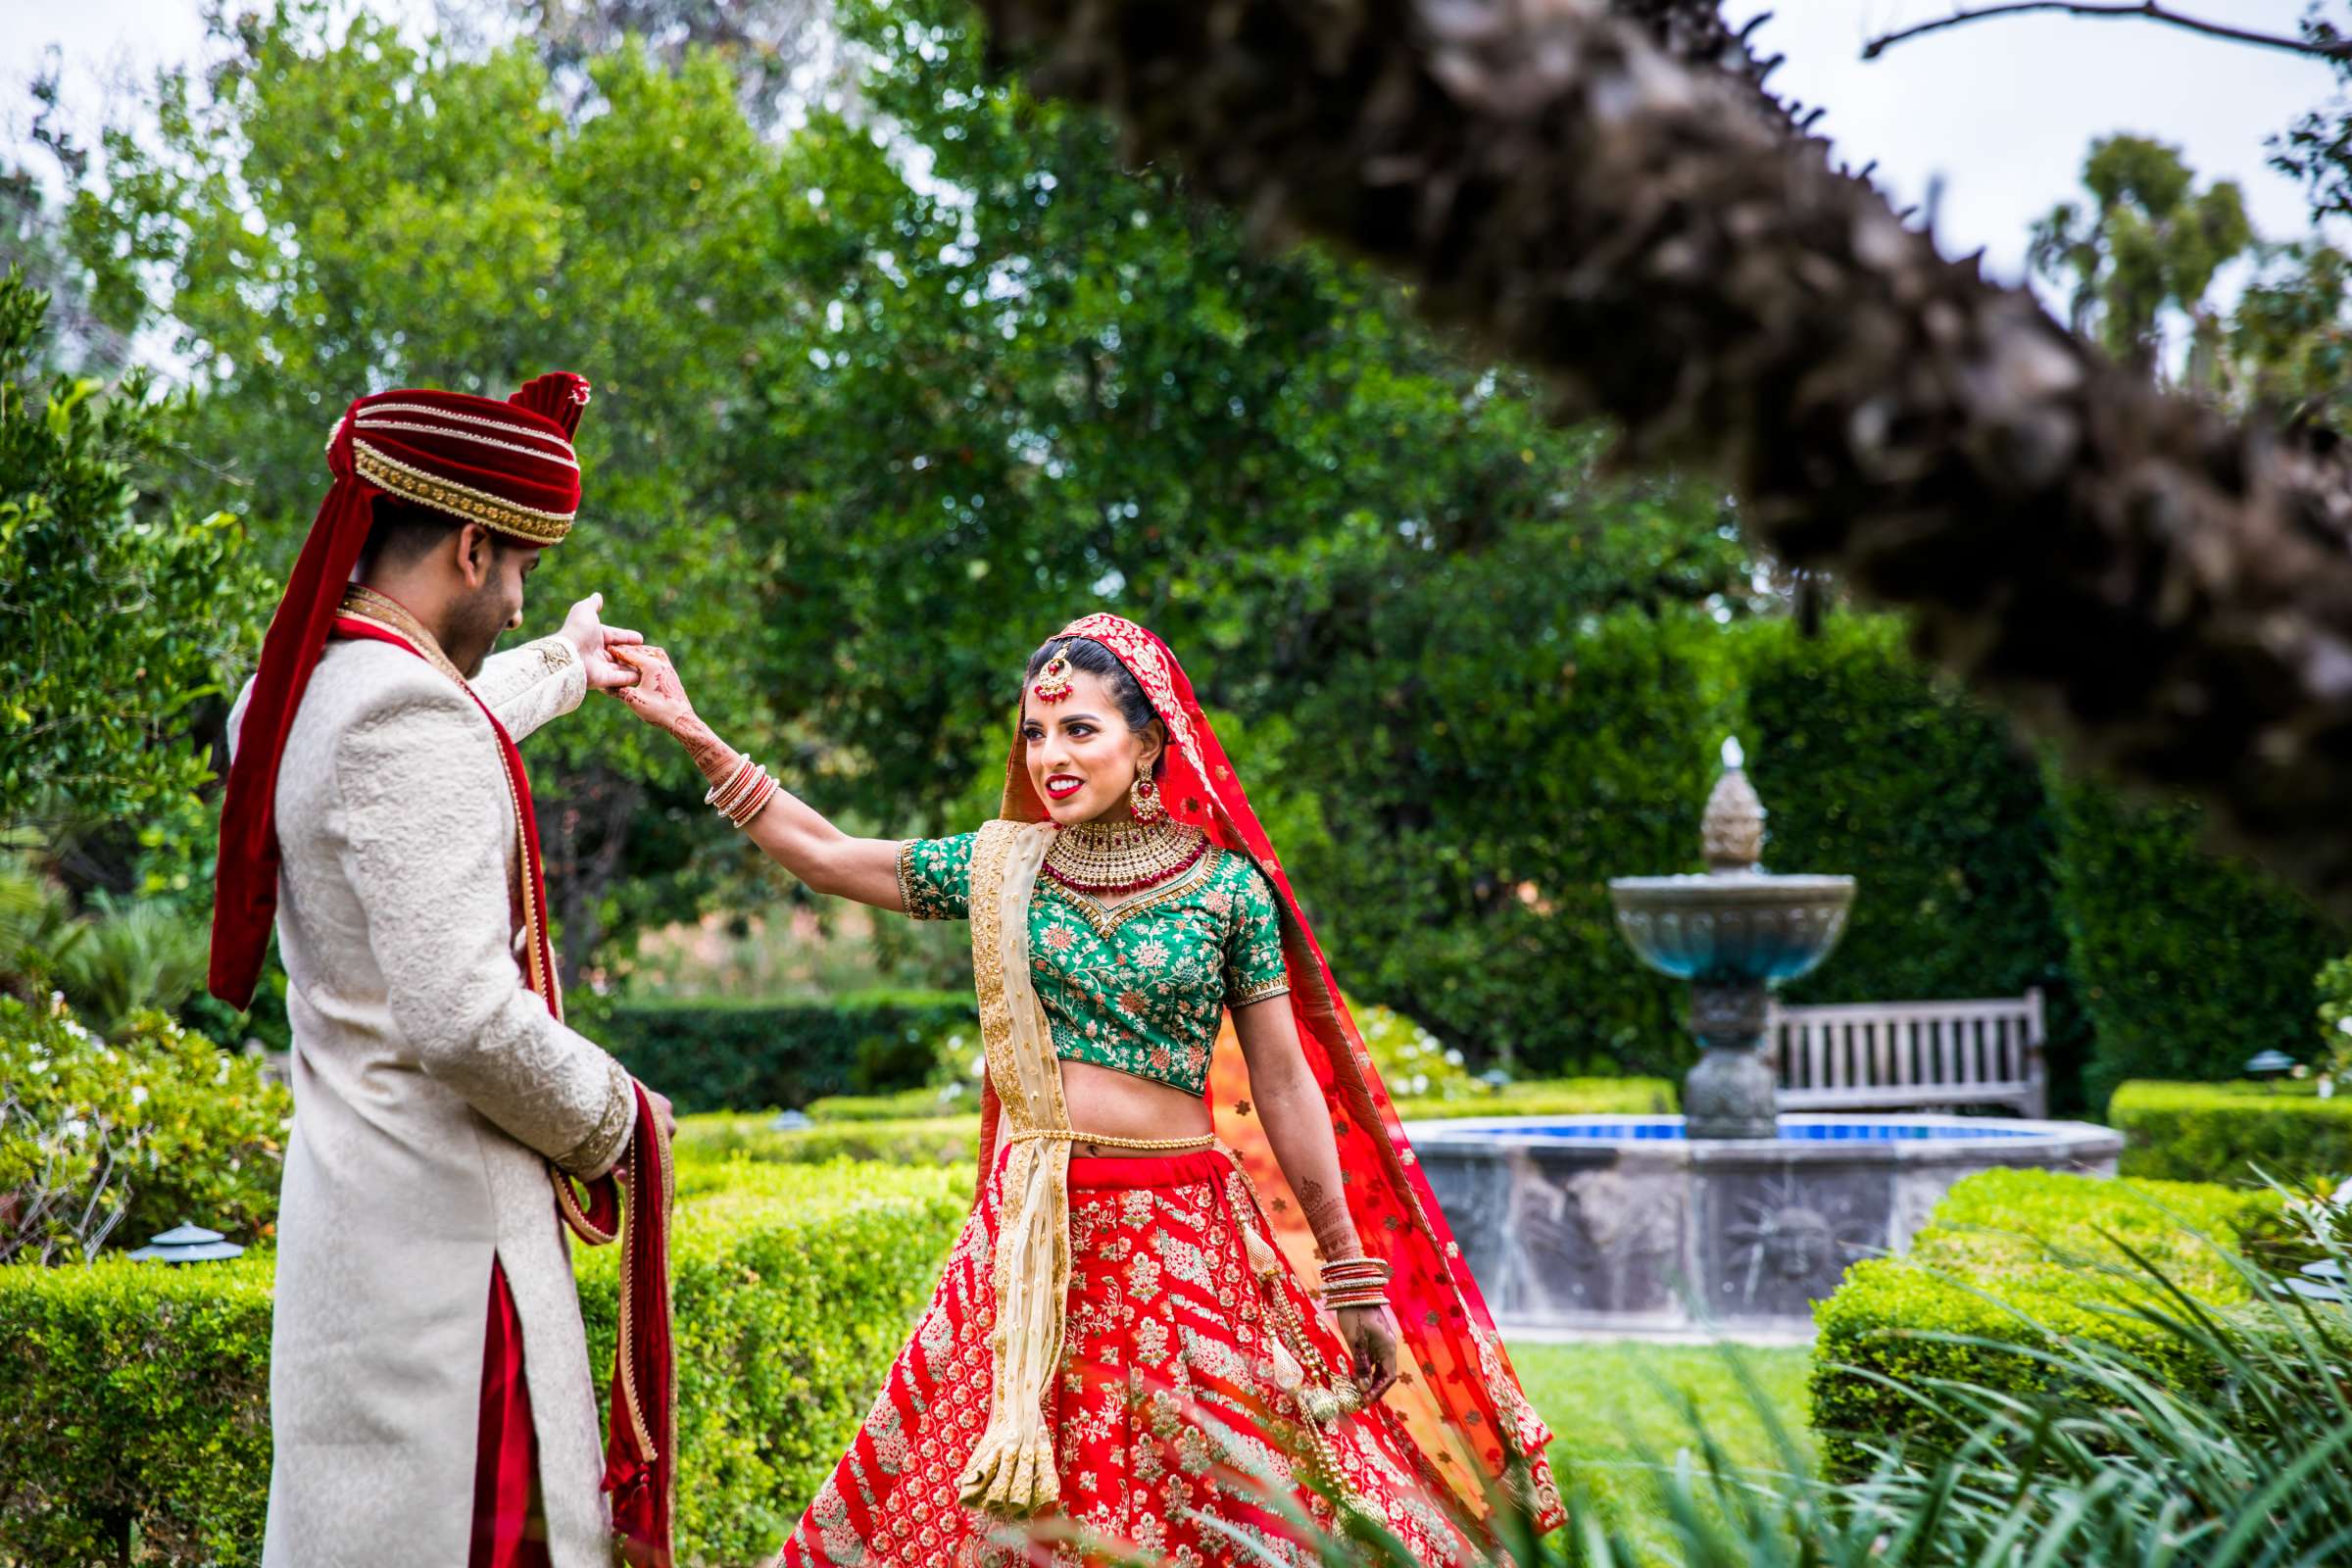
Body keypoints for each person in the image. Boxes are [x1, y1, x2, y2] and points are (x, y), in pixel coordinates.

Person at [613, 612, 1561, 1564]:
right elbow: (825, 854)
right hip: (1031, 1241)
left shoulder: (1227, 890)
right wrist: (691, 730)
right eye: (1035, 732)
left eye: (1079, 729)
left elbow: (1282, 1081)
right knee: (980, 1502)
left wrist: (1350, 1270)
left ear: (1147, 743)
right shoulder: (998, 868)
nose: (1049, 756)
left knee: (1230, 1493)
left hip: (1181, 1239)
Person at [209, 373, 679, 1568]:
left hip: (354, 1233)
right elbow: (464, 1016)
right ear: (471, 546)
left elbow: (436, 734)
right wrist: (616, 1115)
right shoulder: (403, 722)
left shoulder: (294, 694)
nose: (519, 600)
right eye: (518, 570)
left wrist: (566, 666)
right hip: (450, 1278)